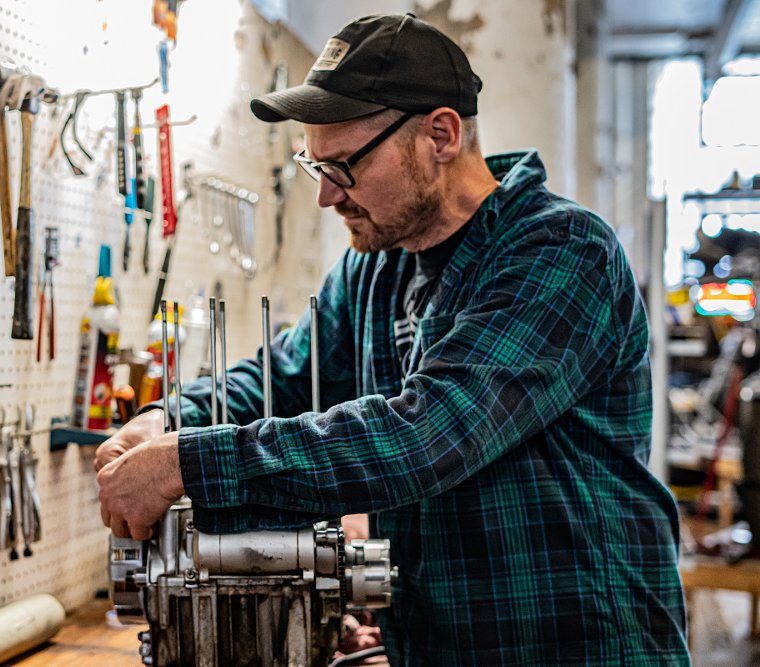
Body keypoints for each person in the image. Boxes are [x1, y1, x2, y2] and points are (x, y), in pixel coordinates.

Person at [96, 13, 690, 665]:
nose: (325, 195)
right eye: (313, 163)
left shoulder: (562, 252)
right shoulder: (376, 267)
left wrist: (187, 462)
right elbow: (285, 376)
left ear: (440, 134)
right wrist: (166, 419)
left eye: (344, 166)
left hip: (575, 646)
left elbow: (428, 434)